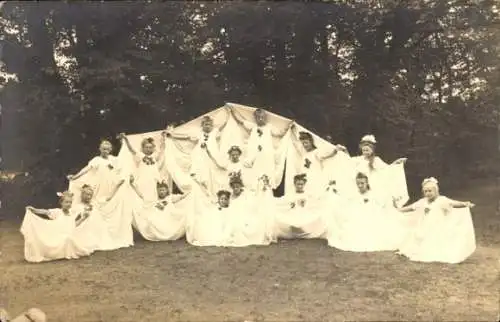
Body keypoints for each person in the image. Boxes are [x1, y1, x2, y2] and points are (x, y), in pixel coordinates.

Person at [396, 177, 476, 264]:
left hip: (437, 226)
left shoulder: (442, 200)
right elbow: (411, 207)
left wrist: (464, 204)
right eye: (426, 191)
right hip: (425, 226)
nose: (428, 193)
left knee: (436, 240)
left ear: (436, 191)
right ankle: (420, 249)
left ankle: (434, 250)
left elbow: (453, 203)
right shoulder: (423, 201)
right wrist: (400, 210)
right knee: (419, 237)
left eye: (430, 191)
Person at [327, 172, 409, 252]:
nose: (360, 186)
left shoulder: (373, 194)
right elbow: (346, 200)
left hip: (371, 216)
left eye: (362, 183)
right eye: (358, 183)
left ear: (367, 183)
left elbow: (381, 202)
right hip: (358, 217)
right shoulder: (354, 194)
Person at [167, 111, 229, 196]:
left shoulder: (214, 132)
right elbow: (186, 136)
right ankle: (202, 191)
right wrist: (173, 135)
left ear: (212, 126)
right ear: (202, 125)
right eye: (205, 124)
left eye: (209, 125)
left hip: (212, 155)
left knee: (213, 172)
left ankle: (212, 191)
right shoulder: (199, 133)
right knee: (200, 173)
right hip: (200, 155)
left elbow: (223, 126)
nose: (207, 126)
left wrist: (229, 114)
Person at [20, 191, 94, 262]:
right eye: (66, 202)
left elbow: (74, 225)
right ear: (61, 203)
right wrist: (35, 210)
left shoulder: (71, 213)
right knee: (65, 239)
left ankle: (66, 252)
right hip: (58, 236)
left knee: (69, 239)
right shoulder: (57, 212)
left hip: (68, 236)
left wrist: (83, 218)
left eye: (70, 202)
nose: (68, 204)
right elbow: (46, 212)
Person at [230, 107, 293, 189]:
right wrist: (232, 111)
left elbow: (280, 133)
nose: (260, 119)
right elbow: (241, 121)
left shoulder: (269, 127)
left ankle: (266, 188)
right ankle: (255, 188)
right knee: (254, 171)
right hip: (254, 154)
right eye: (258, 117)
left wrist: (289, 126)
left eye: (262, 117)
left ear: (265, 118)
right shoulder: (253, 126)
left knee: (266, 170)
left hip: (266, 154)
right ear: (255, 118)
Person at [346, 134, 408, 204]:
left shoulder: (377, 160)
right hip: (361, 184)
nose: (365, 152)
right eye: (363, 150)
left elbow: (387, 169)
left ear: (372, 150)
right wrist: (344, 152)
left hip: (373, 184)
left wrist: (396, 163)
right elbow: (348, 161)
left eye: (367, 150)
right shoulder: (358, 159)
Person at [130, 177, 189, 242]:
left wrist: (192, 191)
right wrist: (132, 185)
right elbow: (141, 196)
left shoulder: (170, 198)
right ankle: (157, 233)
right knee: (150, 220)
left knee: (182, 216)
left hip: (168, 217)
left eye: (163, 190)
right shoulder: (155, 199)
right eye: (160, 190)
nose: (162, 192)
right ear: (157, 191)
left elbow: (182, 197)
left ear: (166, 190)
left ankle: (167, 232)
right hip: (158, 217)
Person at [273, 174, 329, 240]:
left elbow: (314, 203)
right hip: (293, 213)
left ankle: (303, 230)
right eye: (298, 184)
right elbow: (283, 201)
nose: (300, 186)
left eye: (301, 184)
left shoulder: (307, 195)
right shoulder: (290, 194)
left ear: (304, 184)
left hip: (304, 213)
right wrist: (291, 204)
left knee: (308, 221)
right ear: (294, 184)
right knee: (288, 221)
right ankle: (295, 230)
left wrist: (306, 204)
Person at [290, 127, 345, 193]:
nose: (305, 145)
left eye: (306, 143)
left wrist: (335, 150)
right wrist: (292, 131)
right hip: (305, 179)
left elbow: (327, 155)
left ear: (311, 142)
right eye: (303, 143)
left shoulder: (316, 152)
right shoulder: (304, 153)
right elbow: (295, 143)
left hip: (315, 179)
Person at [120, 132, 167, 202]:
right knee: (142, 199)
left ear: (152, 148)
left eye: (150, 147)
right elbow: (131, 149)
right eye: (146, 147)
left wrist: (163, 138)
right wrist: (126, 139)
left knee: (153, 199)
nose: (148, 149)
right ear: (143, 148)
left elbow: (162, 148)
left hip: (153, 181)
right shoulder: (140, 155)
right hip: (143, 180)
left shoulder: (154, 156)